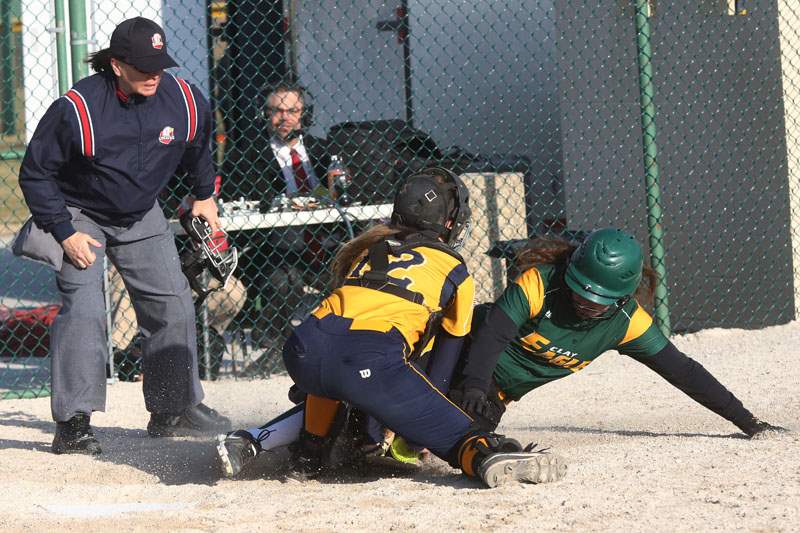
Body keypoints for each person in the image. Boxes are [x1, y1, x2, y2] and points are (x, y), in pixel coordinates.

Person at [217, 168, 568, 488]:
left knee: (338, 388)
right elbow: (442, 367)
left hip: (304, 346)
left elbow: (340, 330)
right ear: (447, 223)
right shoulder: (454, 267)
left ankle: (294, 451)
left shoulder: (368, 250)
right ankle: (485, 454)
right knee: (449, 428)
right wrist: (416, 434)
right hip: (365, 356)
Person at [17, 17, 231, 455]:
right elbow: (35, 173)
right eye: (143, 66)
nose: (154, 74)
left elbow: (198, 146)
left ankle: (173, 409)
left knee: (172, 302)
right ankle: (73, 423)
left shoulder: (184, 99)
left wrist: (204, 196)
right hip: (79, 213)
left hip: (138, 212)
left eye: (159, 64)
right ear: (116, 65)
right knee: (85, 311)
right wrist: (63, 232)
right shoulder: (78, 108)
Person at [449, 228, 785, 439]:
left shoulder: (627, 323)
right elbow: (492, 334)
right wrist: (475, 384)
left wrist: (747, 421)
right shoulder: (539, 283)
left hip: (494, 393)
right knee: (436, 410)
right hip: (457, 354)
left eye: (597, 301)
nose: (583, 303)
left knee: (460, 432)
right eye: (578, 290)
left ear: (622, 297)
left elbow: (684, 372)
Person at [221, 81, 347, 360]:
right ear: (264, 114)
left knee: (353, 275)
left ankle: (339, 345)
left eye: (292, 111)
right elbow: (235, 202)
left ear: (304, 114)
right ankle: (273, 347)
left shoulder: (325, 152)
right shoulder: (246, 156)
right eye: (277, 111)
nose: (285, 118)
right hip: (273, 249)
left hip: (324, 244)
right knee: (283, 281)